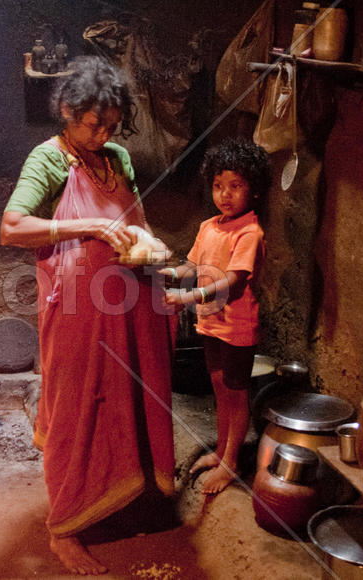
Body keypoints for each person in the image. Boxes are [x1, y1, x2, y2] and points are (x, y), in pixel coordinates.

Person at [0, 56, 176, 575]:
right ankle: (65, 530)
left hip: (131, 307)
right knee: (78, 412)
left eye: (111, 125)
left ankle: (122, 498)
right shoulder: (48, 160)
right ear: (67, 112)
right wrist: (92, 225)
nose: (102, 135)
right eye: (92, 124)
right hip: (78, 311)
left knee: (127, 405)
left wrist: (154, 245)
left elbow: (136, 221)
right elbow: (12, 228)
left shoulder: (117, 157)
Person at [161, 138, 268, 495]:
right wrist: (164, 271)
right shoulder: (209, 226)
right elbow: (192, 265)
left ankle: (231, 462)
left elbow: (232, 282)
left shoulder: (250, 232)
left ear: (254, 191)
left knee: (236, 394)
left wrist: (187, 296)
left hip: (236, 326)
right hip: (209, 322)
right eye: (219, 185)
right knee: (219, 391)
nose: (225, 194)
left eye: (236, 186)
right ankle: (222, 452)